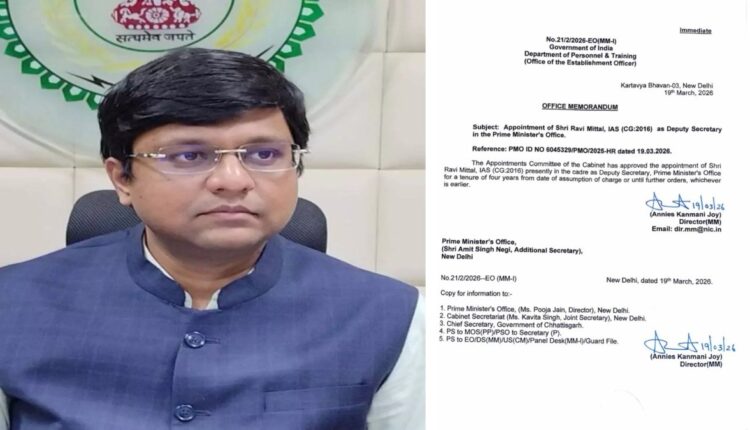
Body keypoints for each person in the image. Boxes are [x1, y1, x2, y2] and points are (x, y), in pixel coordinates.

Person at [0, 48, 424, 429]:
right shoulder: (12, 305)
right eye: (189, 155)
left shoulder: (389, 315)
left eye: (264, 155)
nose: (233, 180)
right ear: (122, 178)